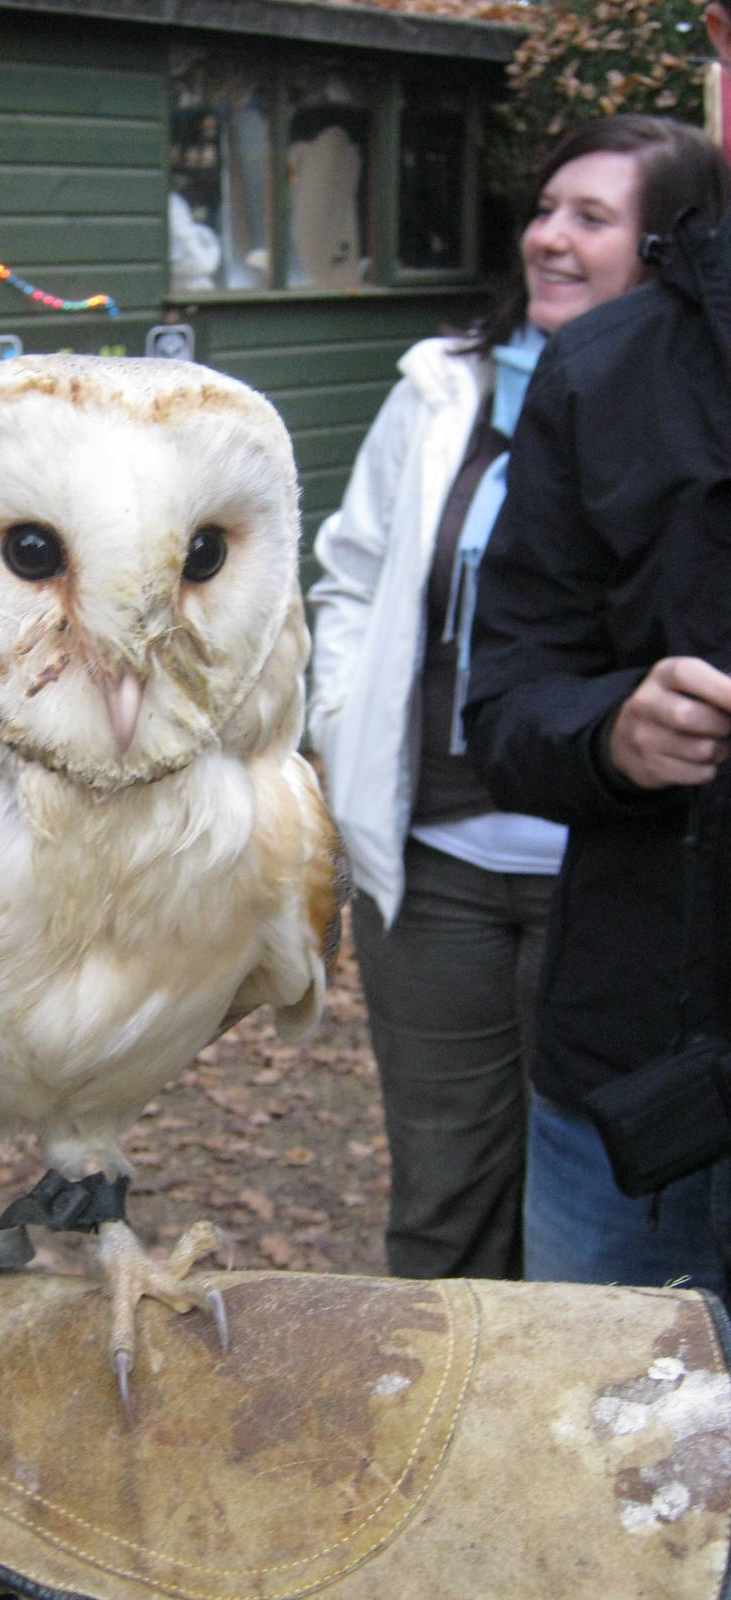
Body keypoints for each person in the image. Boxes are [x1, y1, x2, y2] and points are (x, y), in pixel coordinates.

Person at [305, 113, 731, 1282]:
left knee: (595, 1204)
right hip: (440, 854)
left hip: (598, 877)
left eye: (591, 217)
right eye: (543, 209)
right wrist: (343, 732)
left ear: (665, 243)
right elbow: (348, 573)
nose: (547, 235)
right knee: (443, 1191)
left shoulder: (677, 403)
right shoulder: (439, 389)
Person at [463, 9, 731, 1302]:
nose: (554, 239)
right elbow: (506, 700)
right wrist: (616, 733)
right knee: (603, 1465)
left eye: (594, 213)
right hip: (637, 1070)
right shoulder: (601, 371)